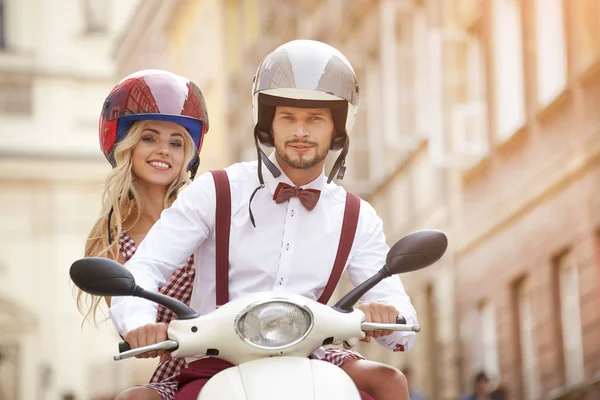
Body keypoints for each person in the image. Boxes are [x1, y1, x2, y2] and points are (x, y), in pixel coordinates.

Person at [109, 40, 418, 400]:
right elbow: (145, 267)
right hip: (218, 361)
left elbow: (401, 317)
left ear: (337, 128)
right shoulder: (217, 190)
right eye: (288, 117)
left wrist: (386, 316)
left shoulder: (357, 216)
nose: (300, 132)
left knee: (389, 383)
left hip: (314, 357)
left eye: (315, 119)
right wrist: (139, 324)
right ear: (268, 123)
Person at [76, 69, 210, 400]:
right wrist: (143, 332)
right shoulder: (110, 241)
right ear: (127, 146)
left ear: (188, 155)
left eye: (176, 142)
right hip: (189, 362)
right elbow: (129, 313)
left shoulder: (209, 208)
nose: (164, 150)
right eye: (150, 138)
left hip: (254, 340)